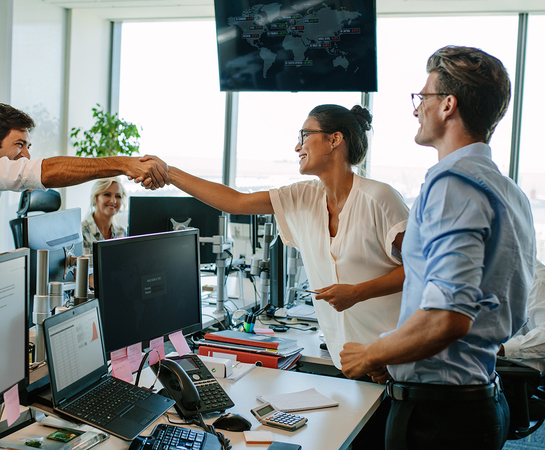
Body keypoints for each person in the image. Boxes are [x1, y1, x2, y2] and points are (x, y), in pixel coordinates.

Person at [339, 46, 536, 450]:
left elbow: (446, 319)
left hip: (438, 420)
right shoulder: (507, 189)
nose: (417, 109)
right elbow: (493, 314)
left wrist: (374, 353)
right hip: (477, 400)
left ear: (448, 105)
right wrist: (398, 357)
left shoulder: (452, 185)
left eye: (423, 97)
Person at [141, 104, 409, 369]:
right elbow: (235, 201)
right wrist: (168, 173)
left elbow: (423, 272)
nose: (297, 147)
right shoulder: (303, 197)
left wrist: (358, 293)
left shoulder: (380, 199)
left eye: (304, 135)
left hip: (395, 358)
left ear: (334, 139)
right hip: (349, 361)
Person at [0, 103, 169, 265]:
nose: (26, 155)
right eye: (19, 144)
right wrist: (123, 164)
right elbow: (40, 172)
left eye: (28, 146)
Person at [82, 177, 127, 256]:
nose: (113, 201)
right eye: (107, 194)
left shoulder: (122, 232)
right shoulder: (81, 232)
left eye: (118, 196)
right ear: (95, 198)